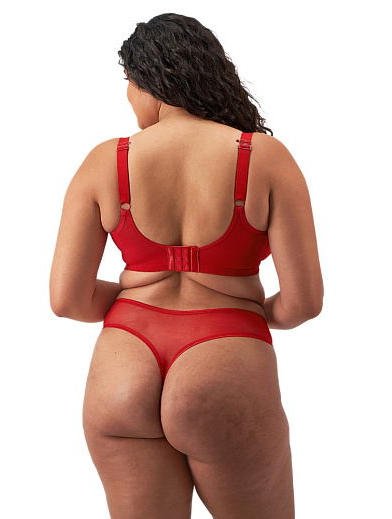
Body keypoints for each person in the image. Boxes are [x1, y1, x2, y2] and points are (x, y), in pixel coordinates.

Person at [49, 12, 323, 519]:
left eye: (129, 82)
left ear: (150, 81)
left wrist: (138, 292)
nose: (128, 97)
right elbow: (304, 302)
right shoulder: (263, 158)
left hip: (122, 366)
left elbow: (68, 301)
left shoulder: (105, 161)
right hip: (226, 358)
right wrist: (249, 308)